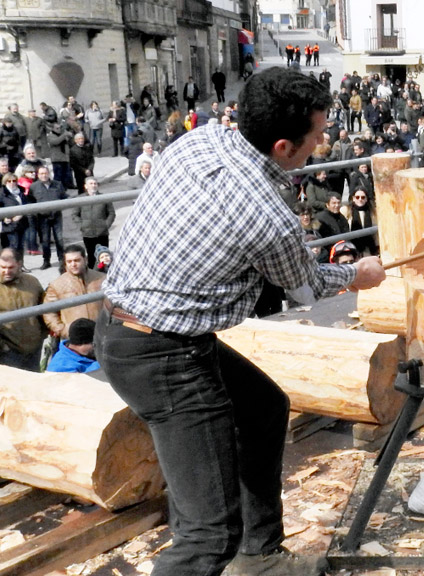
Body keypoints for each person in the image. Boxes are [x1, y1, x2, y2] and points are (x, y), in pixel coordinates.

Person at [94, 68, 386, 576]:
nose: (324, 141)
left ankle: (261, 558)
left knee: (265, 408)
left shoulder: (199, 140)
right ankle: (239, 551)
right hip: (162, 354)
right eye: (317, 136)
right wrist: (357, 273)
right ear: (283, 146)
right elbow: (304, 285)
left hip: (140, 328)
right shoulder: (266, 216)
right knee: (209, 535)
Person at [0, 248, 47, 371]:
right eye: (3, 267)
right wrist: (3, 347)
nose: (6, 271)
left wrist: (42, 334)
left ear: (19, 264)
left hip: (34, 348)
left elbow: (44, 309)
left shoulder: (32, 282)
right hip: (8, 353)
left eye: (11, 267)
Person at [43, 244, 106, 340]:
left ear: (85, 260)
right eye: (69, 261)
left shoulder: (102, 279)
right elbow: (48, 311)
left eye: (77, 260)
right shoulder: (57, 285)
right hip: (73, 339)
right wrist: (62, 330)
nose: (73, 264)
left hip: (101, 335)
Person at [30, 165, 68, 269]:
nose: (44, 175)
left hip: (56, 216)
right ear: (38, 175)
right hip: (42, 218)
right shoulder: (34, 187)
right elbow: (30, 201)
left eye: (45, 173)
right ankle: (46, 261)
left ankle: (62, 260)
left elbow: (65, 197)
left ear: (49, 173)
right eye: (41, 173)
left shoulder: (57, 184)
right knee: (45, 240)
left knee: (59, 239)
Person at [72, 177, 115, 267]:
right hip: (88, 233)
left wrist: (106, 225)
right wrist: (82, 225)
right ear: (86, 186)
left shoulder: (104, 198)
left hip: (102, 233)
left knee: (104, 256)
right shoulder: (80, 199)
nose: (93, 185)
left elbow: (111, 213)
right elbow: (75, 215)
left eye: (95, 183)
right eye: (91, 184)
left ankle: (105, 274)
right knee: (91, 256)